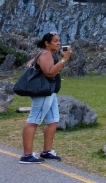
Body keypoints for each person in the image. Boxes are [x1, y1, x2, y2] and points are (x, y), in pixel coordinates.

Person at [20, 32, 72, 164]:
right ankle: (27, 155)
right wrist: (64, 59)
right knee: (34, 120)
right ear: (47, 43)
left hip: (50, 92)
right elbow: (50, 73)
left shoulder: (45, 54)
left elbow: (29, 65)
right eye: (55, 41)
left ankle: (46, 151)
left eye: (59, 40)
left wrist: (59, 59)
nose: (58, 43)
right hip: (43, 92)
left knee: (53, 120)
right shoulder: (45, 54)